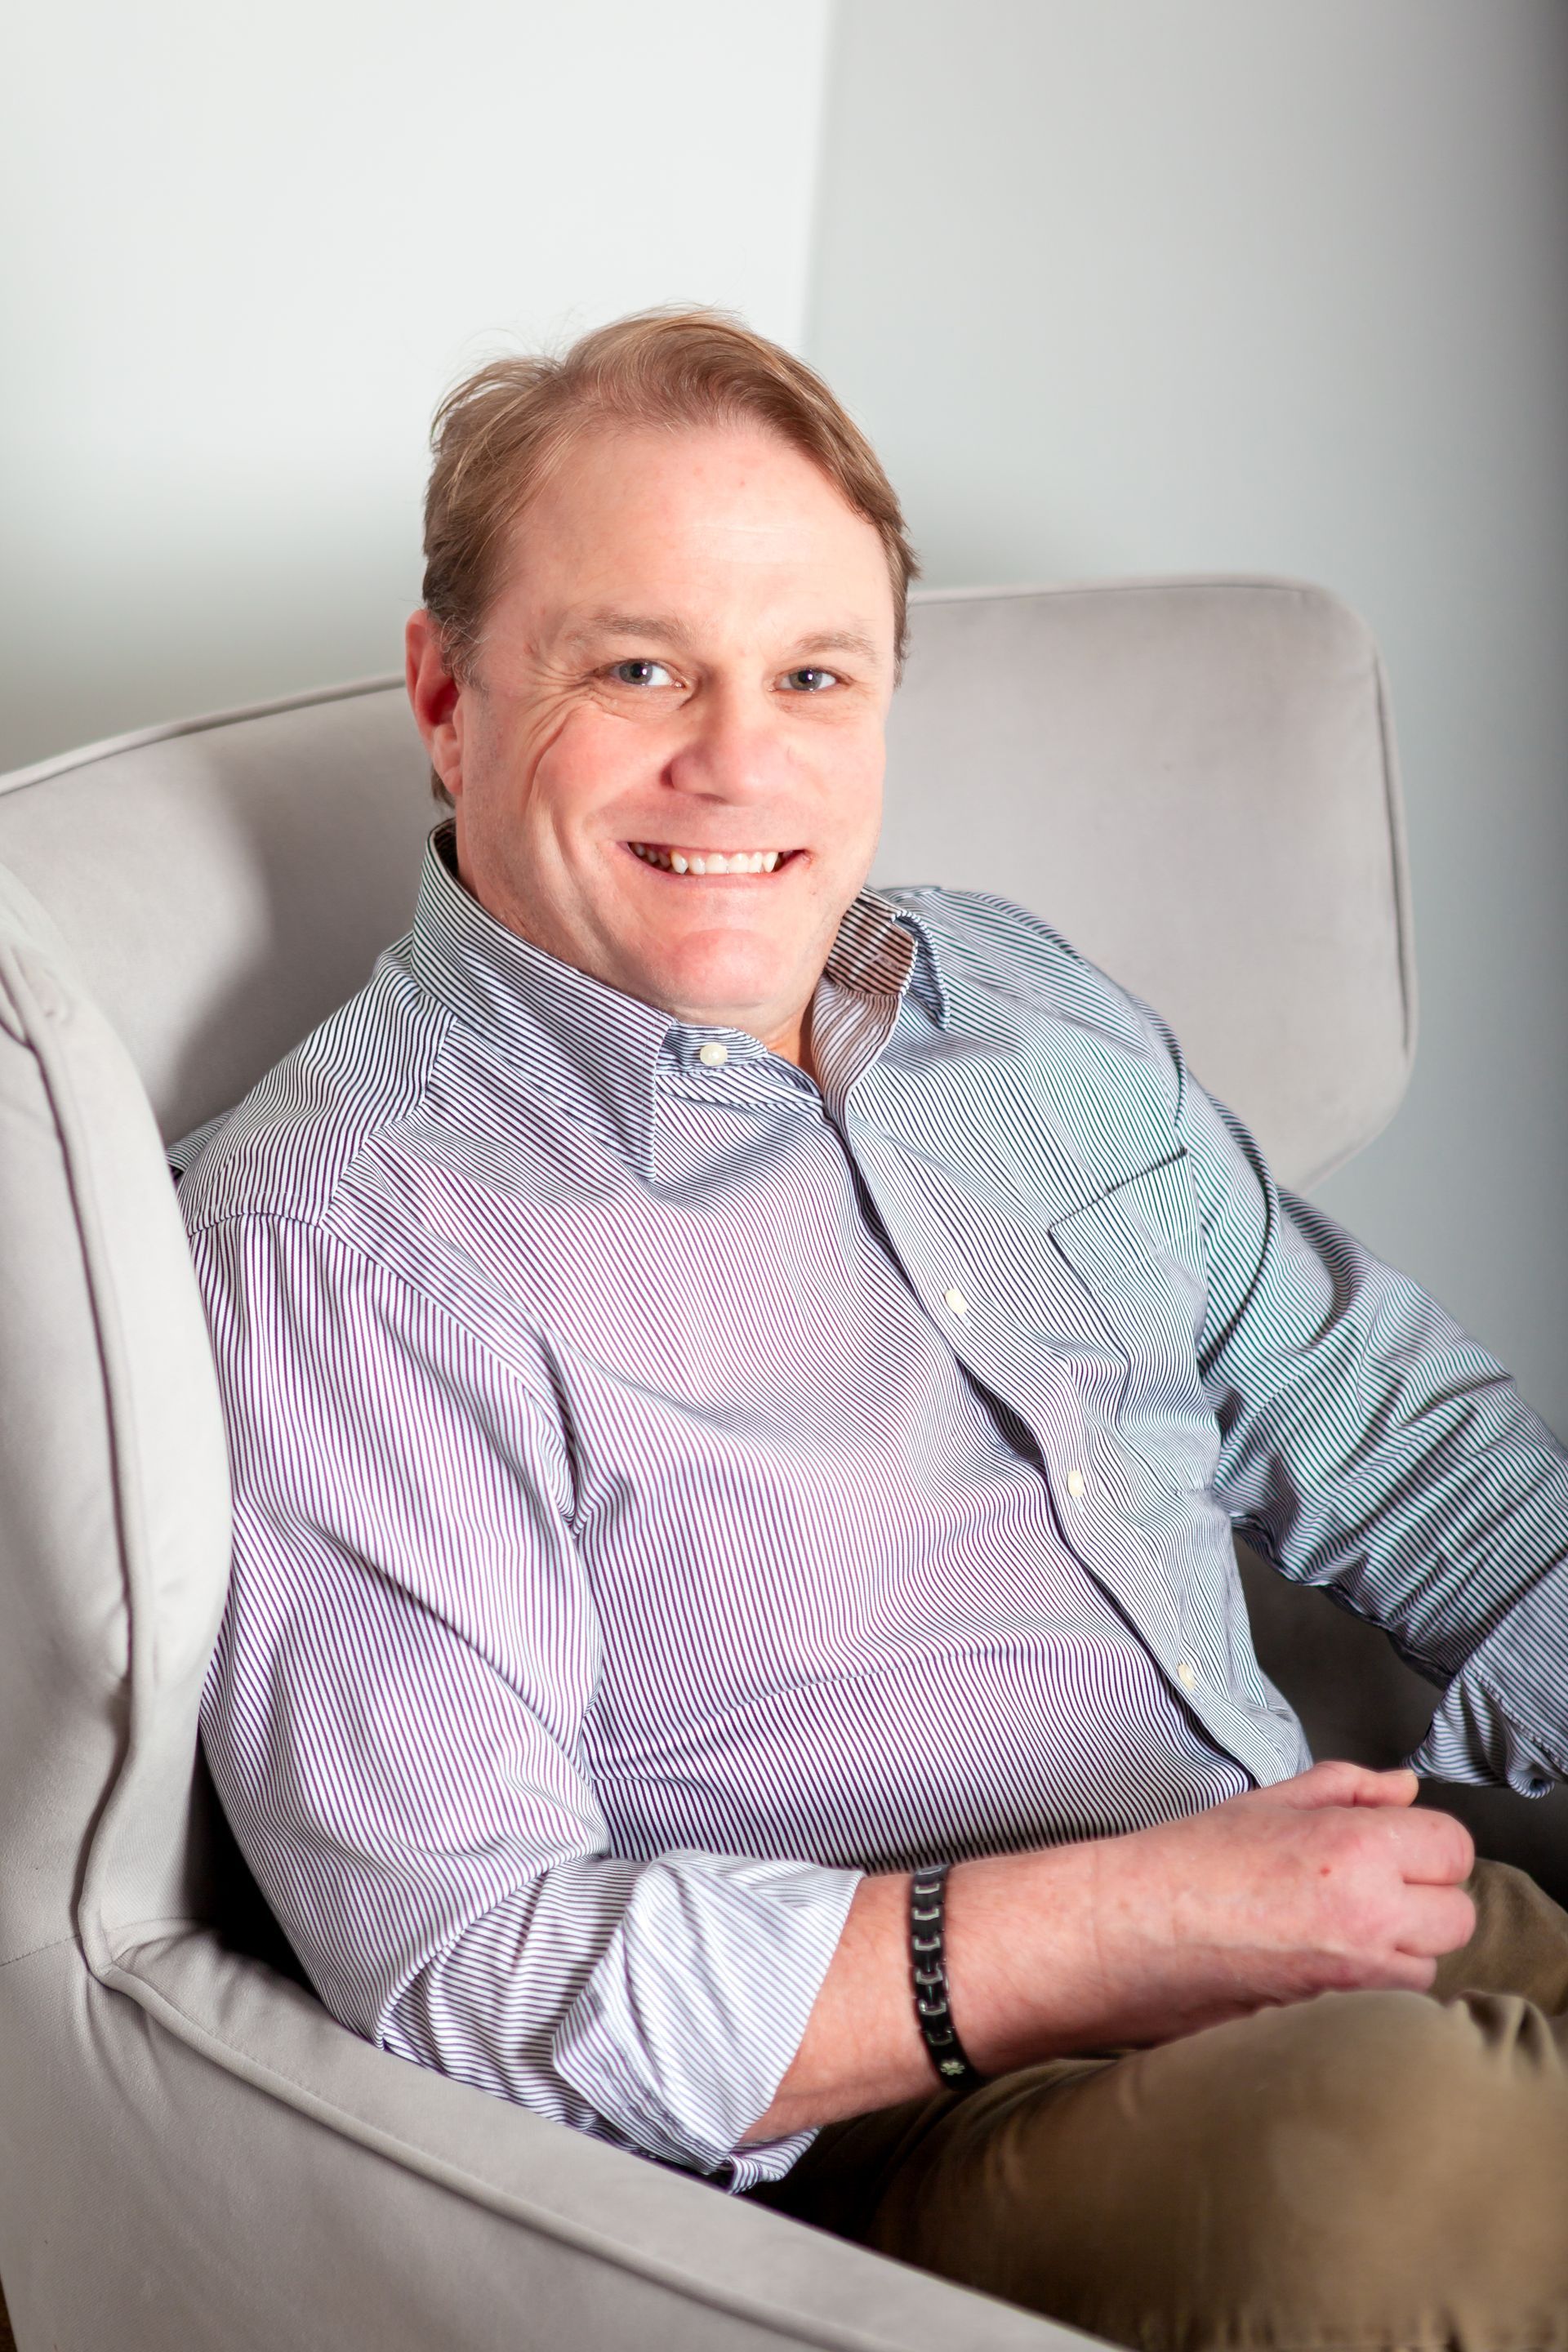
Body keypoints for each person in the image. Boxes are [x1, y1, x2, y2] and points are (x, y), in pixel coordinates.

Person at [181, 309, 1568, 2350]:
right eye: (638, 667)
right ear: (448, 696)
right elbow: (475, 1959)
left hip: (1347, 1904)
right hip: (909, 2117)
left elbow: (1407, 1455)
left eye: (811, 675)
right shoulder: (349, 1233)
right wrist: (1123, 1924)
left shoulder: (1013, 1004)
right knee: (1435, 2167)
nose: (738, 758)